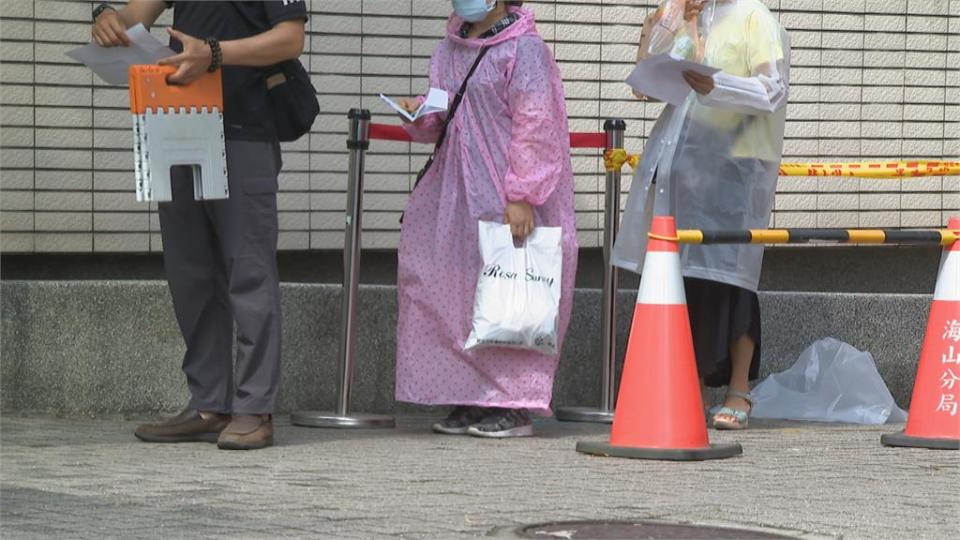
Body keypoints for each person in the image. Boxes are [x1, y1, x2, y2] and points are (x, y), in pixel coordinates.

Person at [91, 0, 308, 450]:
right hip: (176, 120)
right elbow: (140, 14)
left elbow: (290, 38)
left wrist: (214, 53)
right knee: (191, 274)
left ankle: (254, 408)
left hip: (245, 126)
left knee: (248, 269)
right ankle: (209, 403)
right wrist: (109, 19)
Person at [393, 0, 577, 438]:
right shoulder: (449, 47)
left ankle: (514, 404)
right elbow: (442, 112)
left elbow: (536, 123)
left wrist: (524, 194)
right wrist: (418, 114)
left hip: (504, 187)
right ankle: (472, 396)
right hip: (455, 189)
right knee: (453, 293)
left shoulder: (524, 49)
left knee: (511, 292)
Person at [613, 0, 790, 430]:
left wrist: (722, 87)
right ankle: (684, 385)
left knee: (732, 277)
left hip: (732, 169)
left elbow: (773, 88)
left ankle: (738, 389)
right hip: (682, 168)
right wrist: (668, 26)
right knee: (681, 278)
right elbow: (646, 87)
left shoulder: (754, 17)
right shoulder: (687, 16)